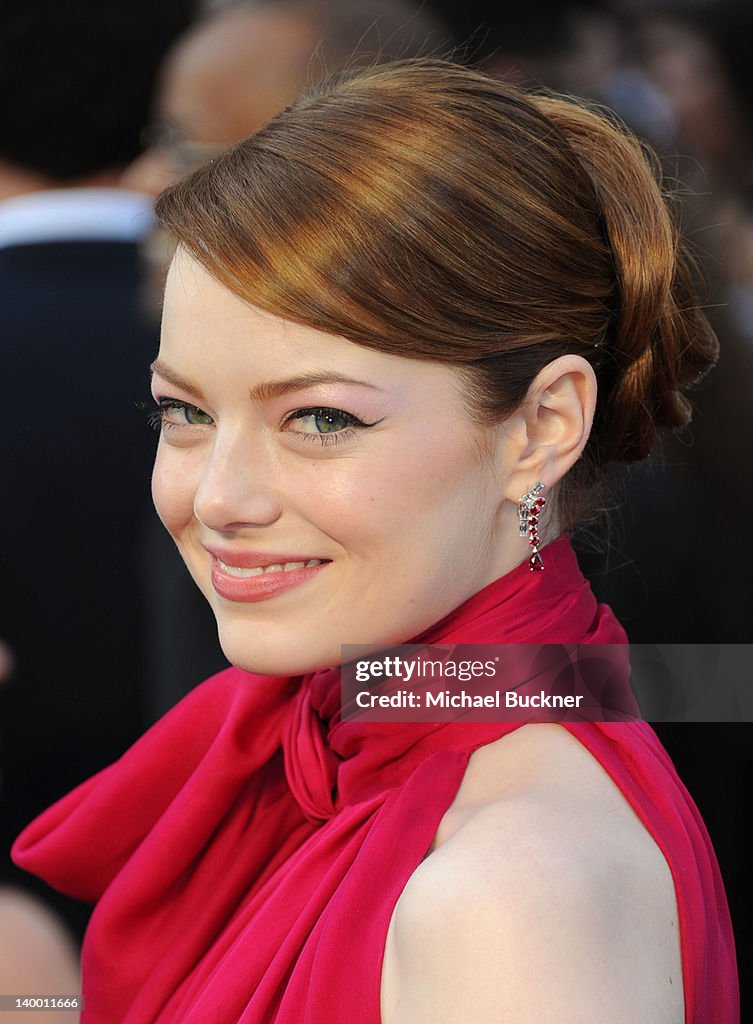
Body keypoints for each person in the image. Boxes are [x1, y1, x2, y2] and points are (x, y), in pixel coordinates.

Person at [12, 60, 738, 1022]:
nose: (218, 497)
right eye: (181, 412)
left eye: (319, 420)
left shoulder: (507, 894)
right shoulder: (370, 740)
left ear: (541, 428)